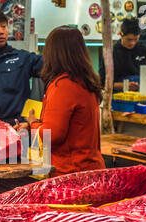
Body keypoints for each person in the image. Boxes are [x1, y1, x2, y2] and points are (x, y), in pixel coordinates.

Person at [15, 26, 105, 177]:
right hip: (89, 169)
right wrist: (32, 126)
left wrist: (32, 123)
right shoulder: (86, 80)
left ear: (52, 53)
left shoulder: (64, 85)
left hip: (71, 174)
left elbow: (53, 135)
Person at [99, 18, 146, 92]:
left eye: (135, 39)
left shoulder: (145, 51)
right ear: (121, 34)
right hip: (118, 98)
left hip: (142, 96)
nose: (132, 43)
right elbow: (103, 83)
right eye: (129, 39)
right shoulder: (111, 53)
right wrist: (125, 85)